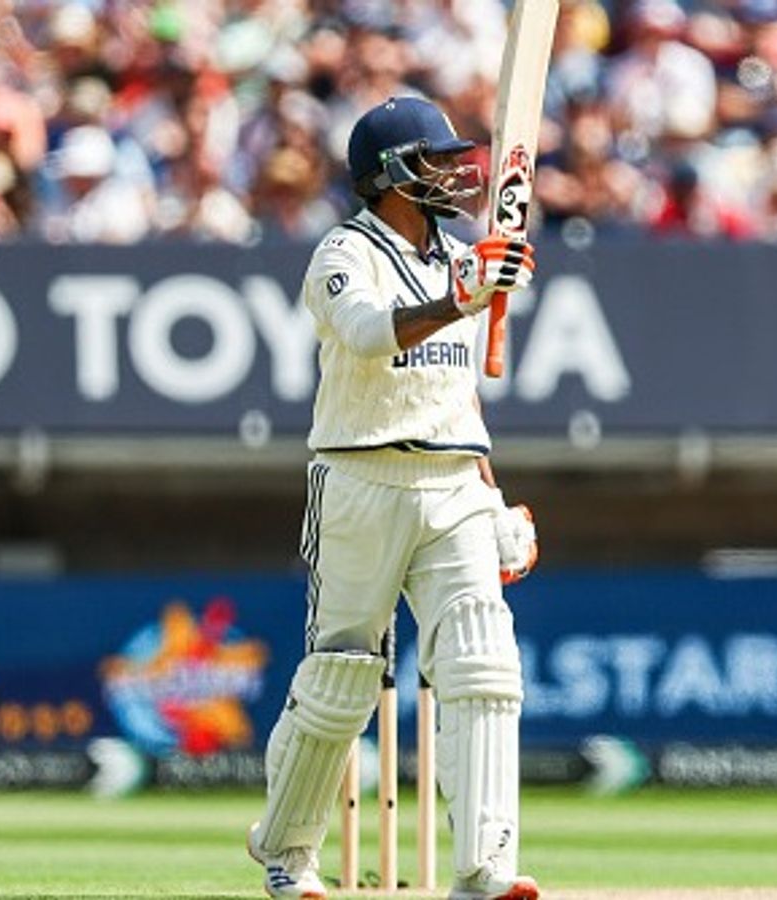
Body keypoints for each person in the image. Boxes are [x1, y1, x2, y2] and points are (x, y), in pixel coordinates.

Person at [246, 97, 541, 900]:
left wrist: (492, 496)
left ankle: (484, 867)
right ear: (391, 173)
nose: (453, 171)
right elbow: (371, 334)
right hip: (361, 478)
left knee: (483, 660)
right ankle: (286, 851)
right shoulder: (343, 252)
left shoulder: (461, 257)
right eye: (434, 158)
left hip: (453, 480)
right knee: (342, 677)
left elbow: (455, 393)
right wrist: (461, 299)